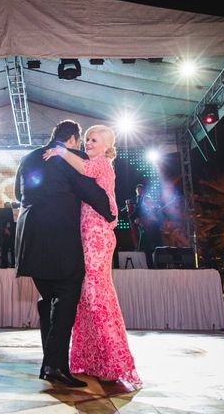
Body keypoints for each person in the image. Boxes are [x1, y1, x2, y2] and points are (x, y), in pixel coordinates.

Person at [14, 119, 115, 388]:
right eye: (82, 141)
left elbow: (16, 194)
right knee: (67, 298)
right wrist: (110, 212)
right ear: (73, 139)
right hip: (59, 241)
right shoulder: (70, 158)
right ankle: (55, 365)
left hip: (28, 241)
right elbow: (90, 190)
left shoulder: (27, 158)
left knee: (48, 299)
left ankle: (50, 363)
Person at [44, 125, 143, 389]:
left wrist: (60, 152)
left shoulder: (100, 164)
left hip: (97, 237)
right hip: (88, 236)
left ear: (106, 146)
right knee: (87, 299)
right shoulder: (98, 163)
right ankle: (96, 361)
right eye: (87, 139)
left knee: (98, 298)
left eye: (93, 140)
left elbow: (85, 169)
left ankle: (114, 362)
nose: (88, 143)